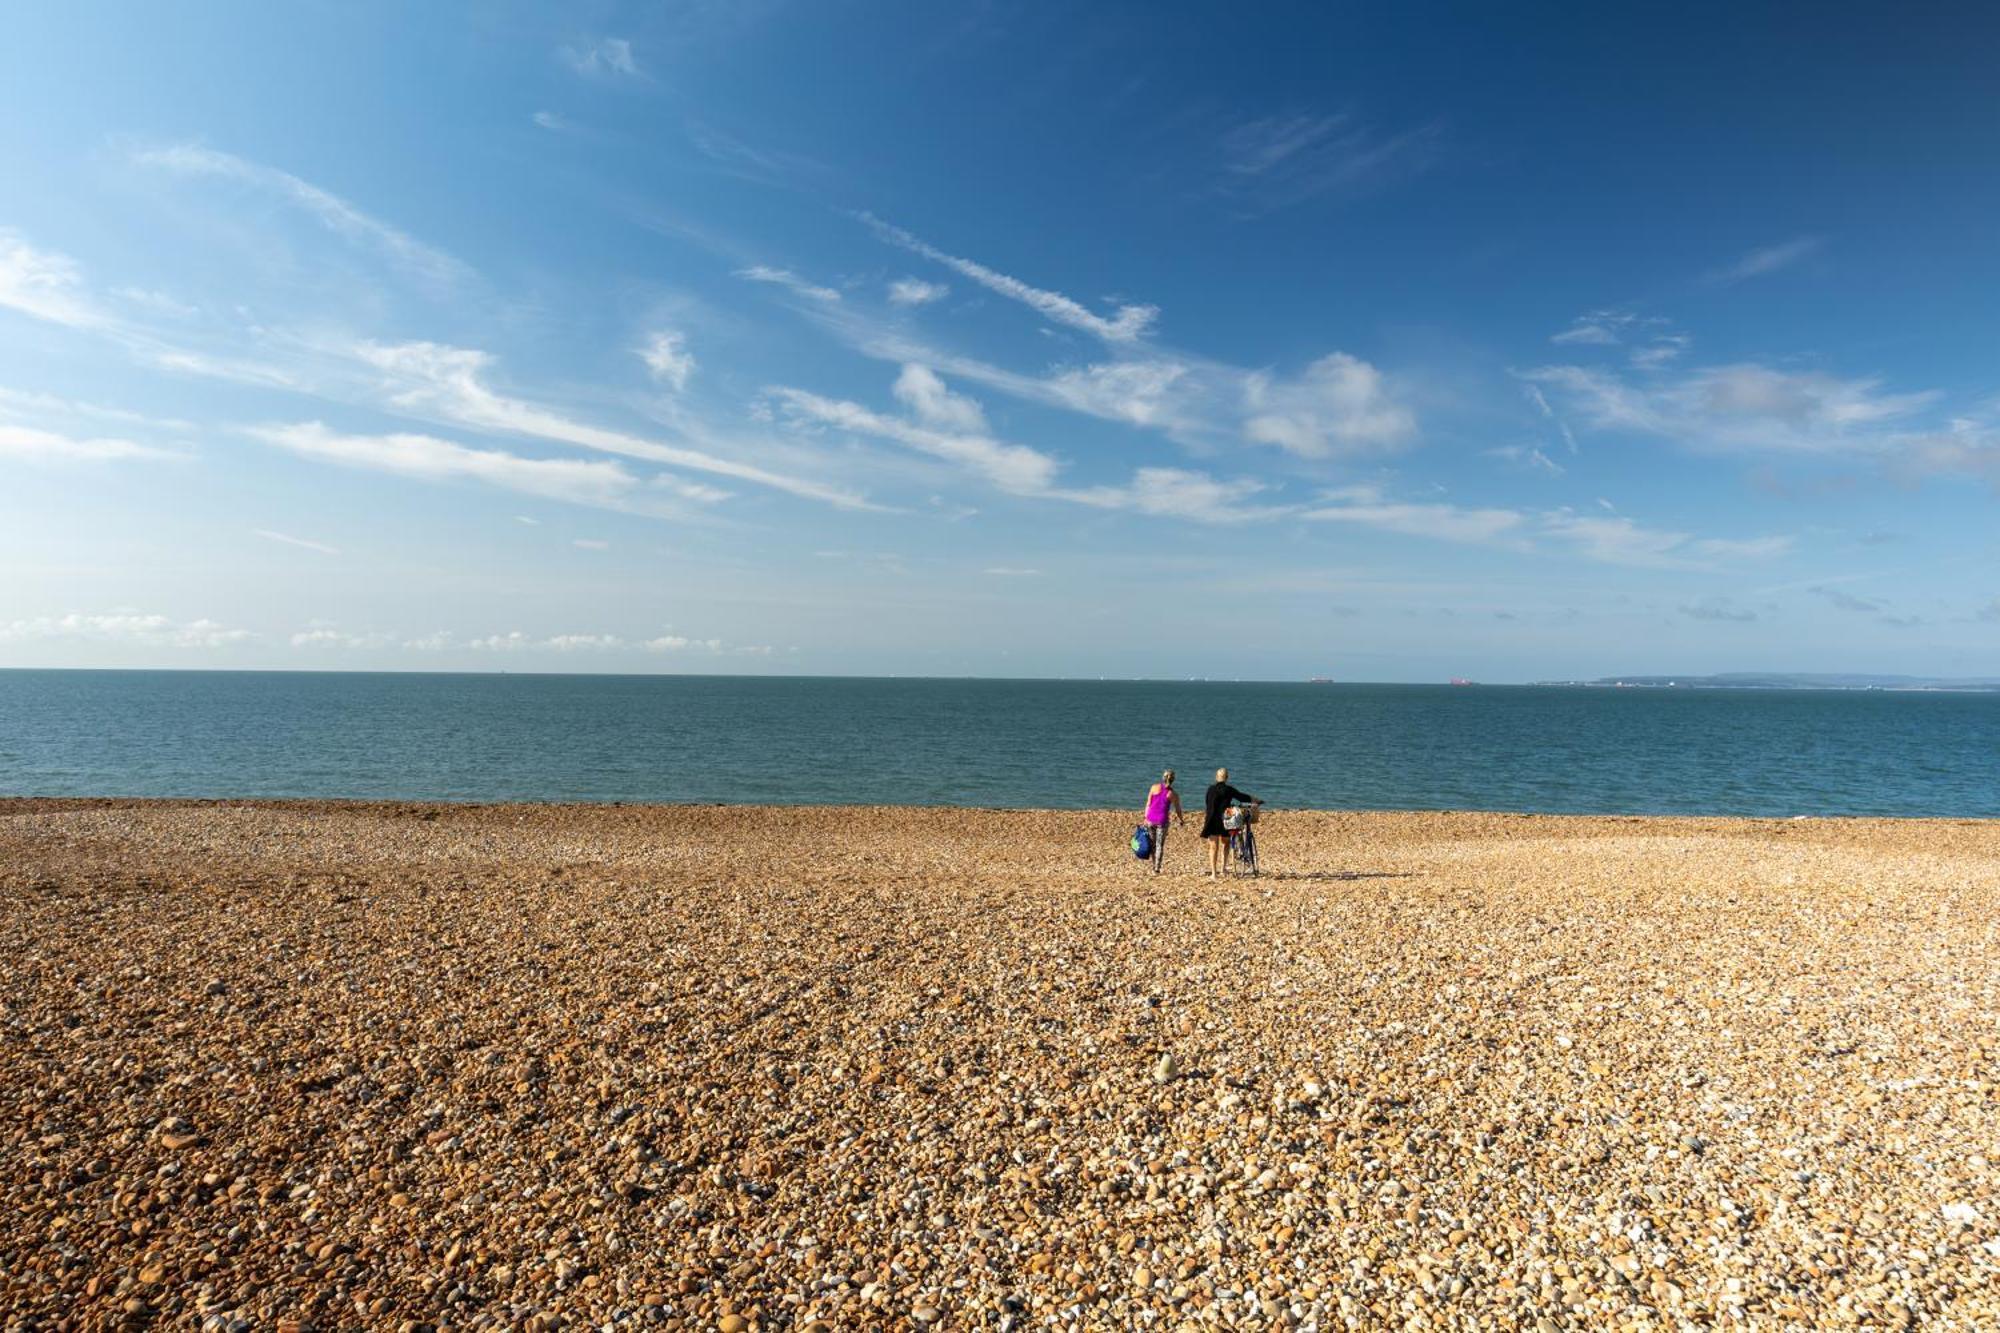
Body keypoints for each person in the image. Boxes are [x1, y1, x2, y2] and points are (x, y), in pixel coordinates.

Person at [1201, 767, 1261, 879]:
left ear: (1216, 777)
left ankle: (1214, 874)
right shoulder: (1229, 789)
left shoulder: (1210, 789)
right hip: (1225, 819)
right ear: (1227, 778)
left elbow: (1207, 803)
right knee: (1226, 843)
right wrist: (1255, 799)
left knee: (1213, 847)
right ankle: (1223, 869)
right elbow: (1242, 797)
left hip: (1212, 820)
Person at [1139, 769, 1185, 874]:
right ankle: (1157, 868)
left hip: (1150, 819)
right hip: (1162, 822)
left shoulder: (1154, 787)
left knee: (1152, 843)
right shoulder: (1172, 794)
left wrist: (1145, 817)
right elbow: (1178, 809)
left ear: (1163, 778)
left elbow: (1148, 803)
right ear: (1173, 780)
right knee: (1159, 844)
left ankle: (1153, 864)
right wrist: (1181, 819)